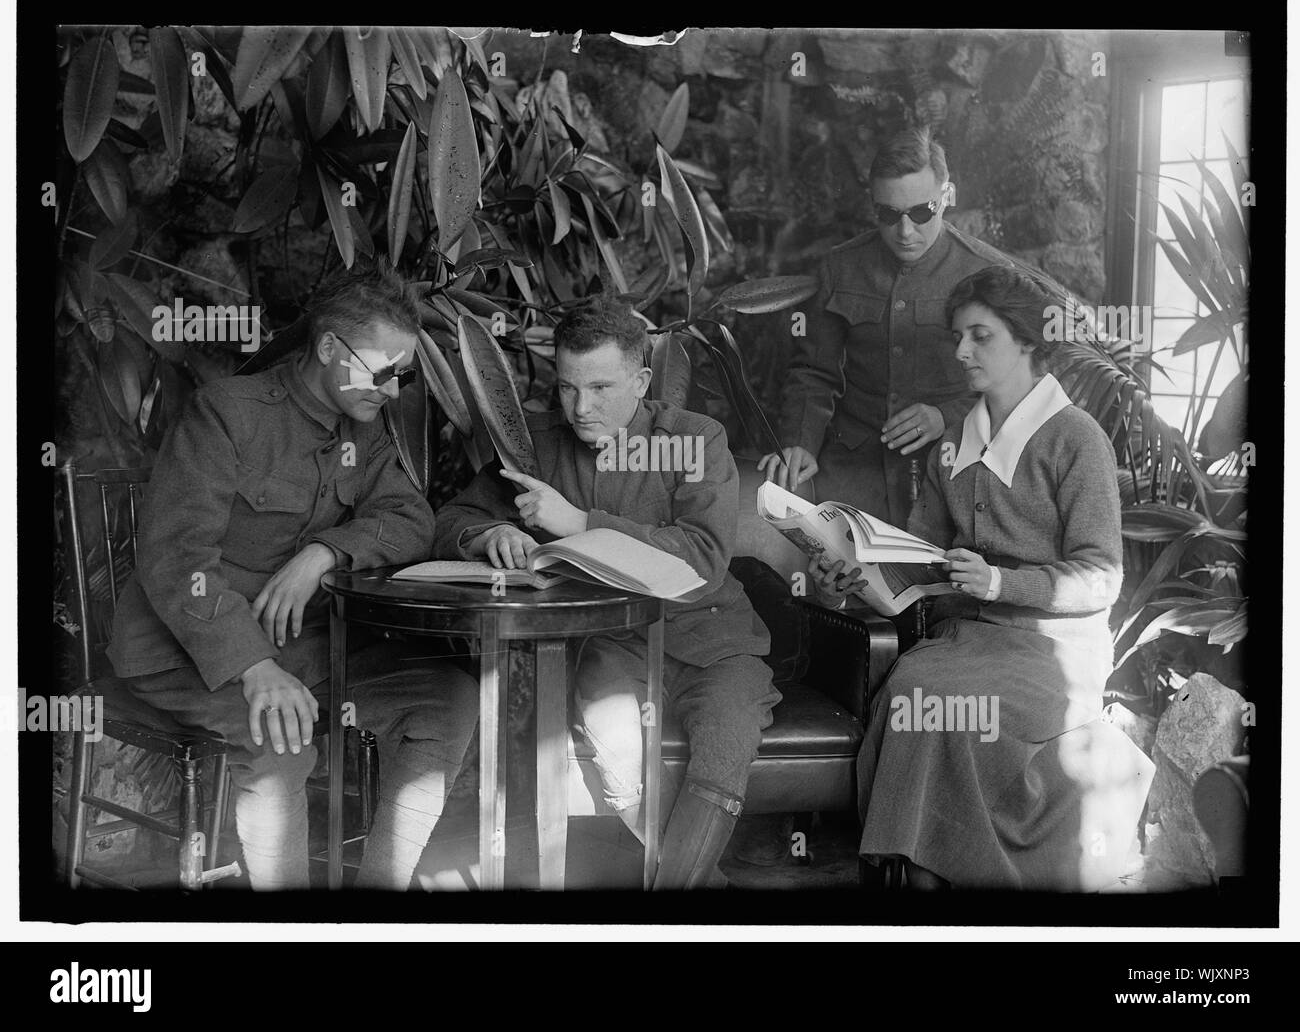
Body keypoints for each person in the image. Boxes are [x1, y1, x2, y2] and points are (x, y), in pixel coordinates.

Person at [107, 259, 479, 890]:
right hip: (185, 655)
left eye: (403, 375)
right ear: (329, 348)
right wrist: (255, 668)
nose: (392, 391)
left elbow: (410, 518)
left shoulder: (365, 429)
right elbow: (176, 561)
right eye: (382, 371)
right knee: (283, 745)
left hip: (307, 651)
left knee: (446, 697)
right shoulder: (228, 414)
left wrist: (326, 552)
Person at [433, 293, 780, 889]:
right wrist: (488, 532)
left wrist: (579, 523)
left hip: (714, 640)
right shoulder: (535, 442)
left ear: (643, 380)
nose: (580, 407)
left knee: (725, 738)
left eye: (600, 389)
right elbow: (449, 520)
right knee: (617, 744)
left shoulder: (696, 439)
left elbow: (701, 556)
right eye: (567, 387)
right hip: (610, 645)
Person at [811, 265, 1123, 890]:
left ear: (1028, 341)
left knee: (950, 716)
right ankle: (916, 885)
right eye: (959, 336)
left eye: (980, 336)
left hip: (1054, 651)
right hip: (966, 642)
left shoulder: (1077, 440)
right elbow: (922, 560)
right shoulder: (952, 442)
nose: (960, 351)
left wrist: (1002, 585)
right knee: (909, 699)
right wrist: (849, 574)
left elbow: (1101, 576)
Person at [759, 127, 1014, 526]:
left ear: (947, 197)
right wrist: (800, 443)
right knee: (839, 576)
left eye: (921, 212)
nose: (905, 231)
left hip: (951, 466)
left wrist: (945, 417)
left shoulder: (987, 274)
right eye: (888, 215)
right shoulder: (841, 266)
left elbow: (1013, 384)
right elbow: (813, 371)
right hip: (853, 469)